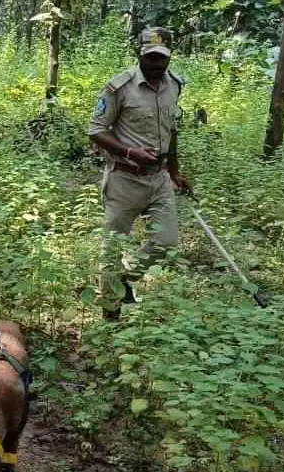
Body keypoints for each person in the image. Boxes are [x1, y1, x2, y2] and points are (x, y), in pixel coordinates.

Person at [86, 26, 193, 321]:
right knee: (113, 246)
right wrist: (130, 152)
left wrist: (175, 172)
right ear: (140, 54)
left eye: (163, 58)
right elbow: (96, 129)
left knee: (166, 242)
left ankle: (122, 278)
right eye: (152, 57)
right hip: (124, 179)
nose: (158, 64)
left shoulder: (174, 85)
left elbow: (171, 132)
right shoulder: (119, 87)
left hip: (159, 179)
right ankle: (110, 314)